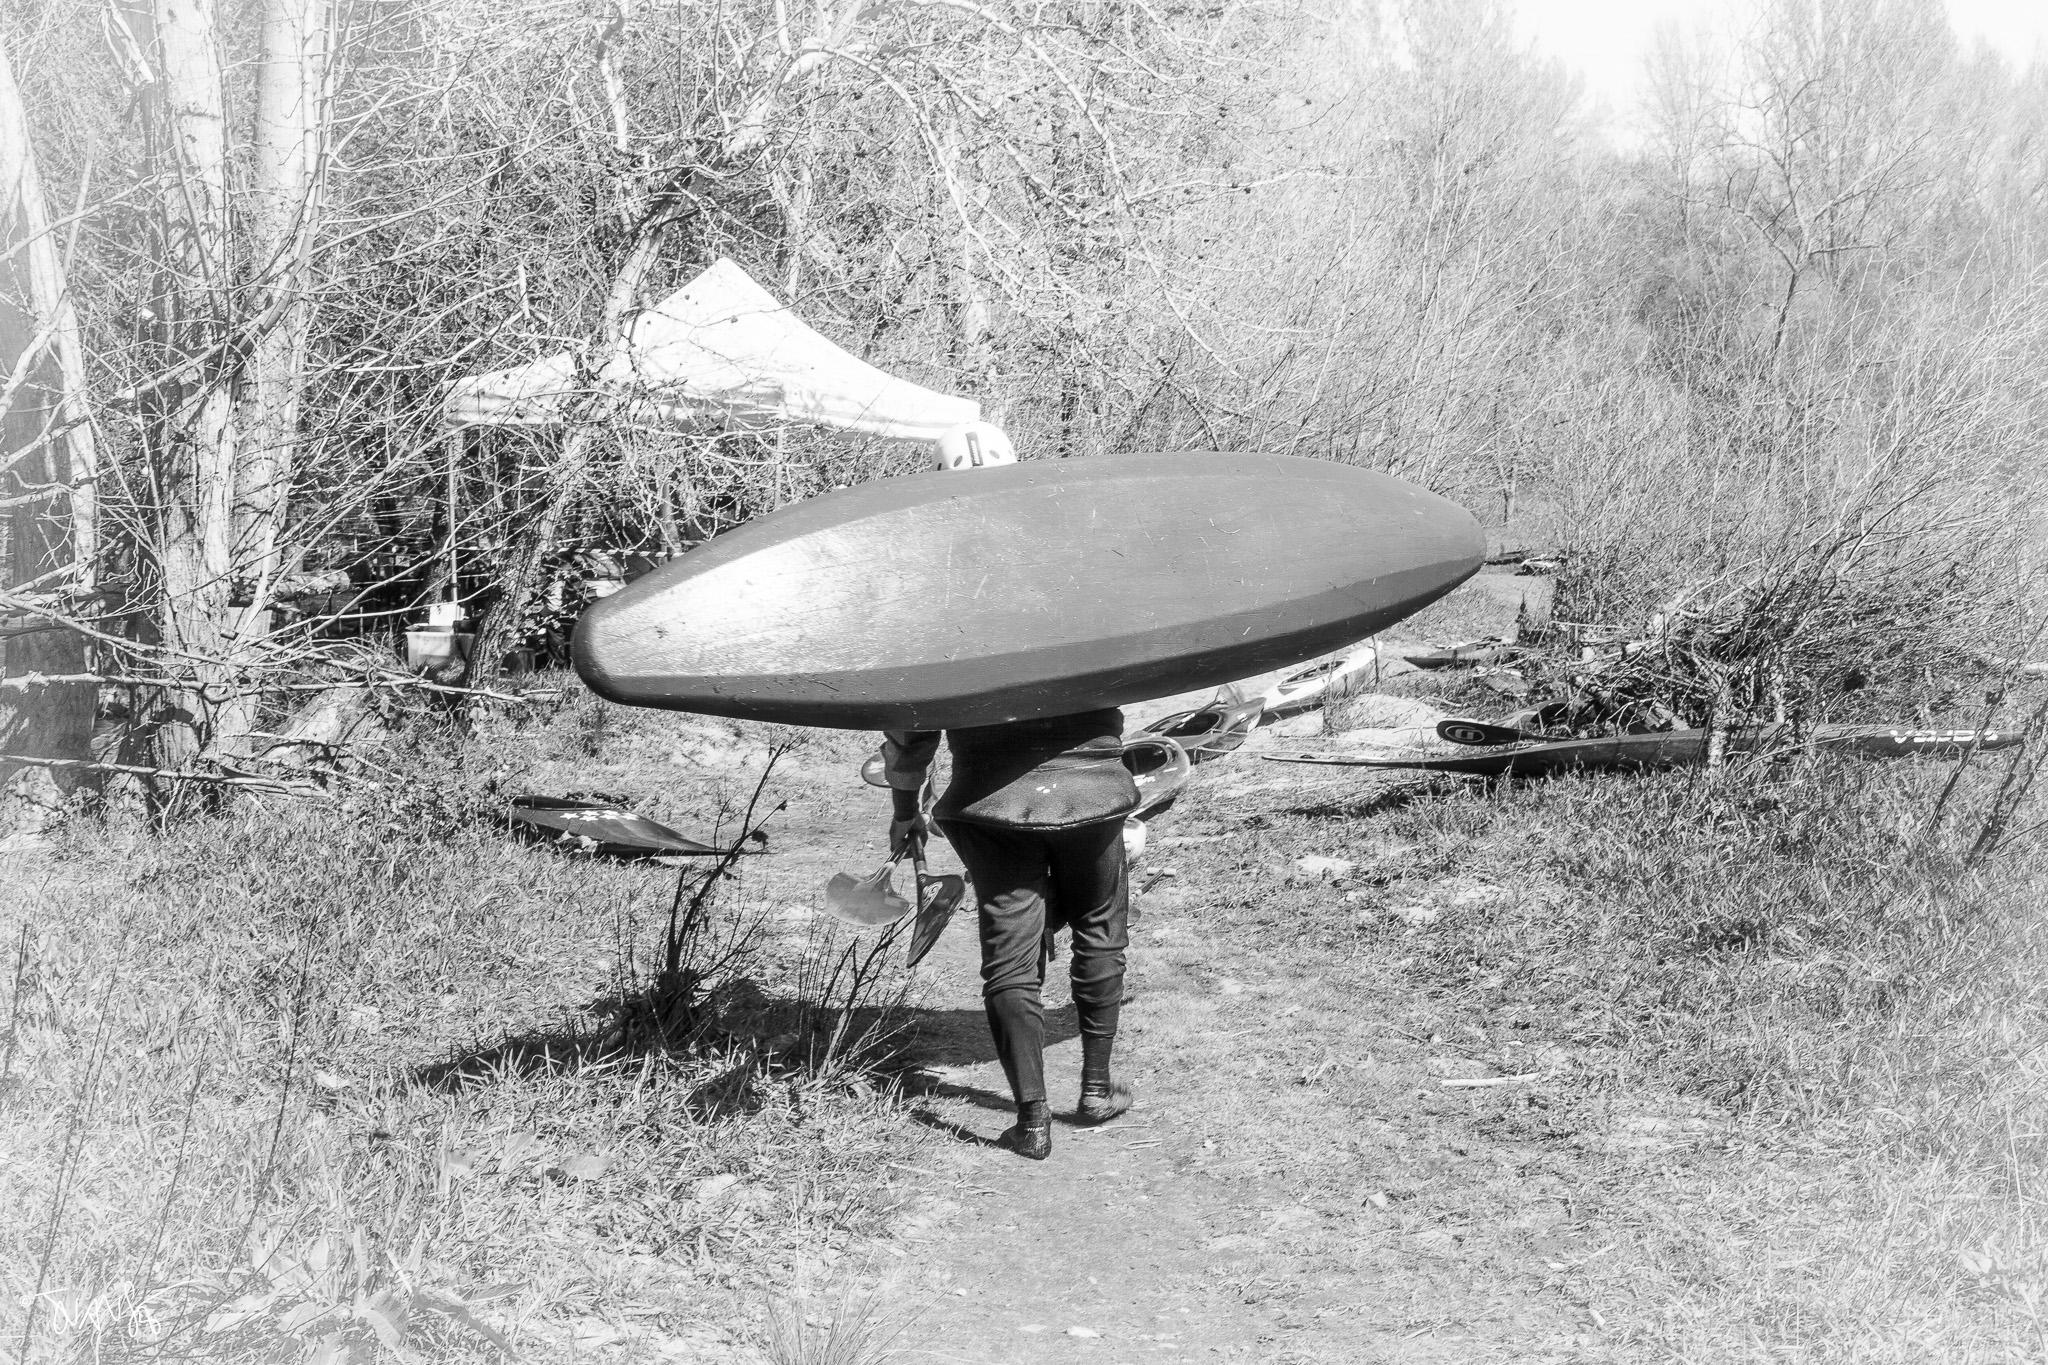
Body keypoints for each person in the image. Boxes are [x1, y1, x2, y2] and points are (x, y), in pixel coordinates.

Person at [877, 420, 1139, 1161]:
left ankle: (1031, 1121)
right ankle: (1094, 1086)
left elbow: (910, 722)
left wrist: (904, 811)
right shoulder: (1079, 565)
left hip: (992, 804)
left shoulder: (935, 589)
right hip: (1091, 790)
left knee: (1009, 956)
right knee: (1098, 923)